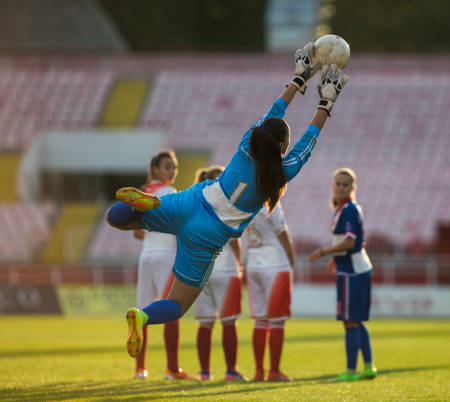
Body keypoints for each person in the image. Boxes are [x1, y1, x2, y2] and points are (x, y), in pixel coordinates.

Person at [105, 42, 349, 359]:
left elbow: (275, 111)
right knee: (177, 305)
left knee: (117, 218)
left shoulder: (247, 142)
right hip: (207, 235)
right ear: (282, 146)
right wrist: (327, 102)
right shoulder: (282, 172)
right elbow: (308, 141)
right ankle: (143, 316)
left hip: (192, 200)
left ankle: (144, 202)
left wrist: (298, 79)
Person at [131, 150, 196, 380]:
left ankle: (140, 369)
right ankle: (172, 368)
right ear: (155, 169)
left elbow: (137, 233)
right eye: (167, 166)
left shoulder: (143, 193)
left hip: (146, 255)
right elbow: (181, 227)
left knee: (141, 312)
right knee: (171, 309)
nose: (172, 171)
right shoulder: (170, 192)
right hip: (166, 255)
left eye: (174, 167)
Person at [308, 168, 376, 382]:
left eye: (345, 184)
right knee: (356, 320)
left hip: (352, 271)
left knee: (349, 320)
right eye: (338, 183)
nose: (340, 187)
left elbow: (349, 242)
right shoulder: (346, 208)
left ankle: (350, 370)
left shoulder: (348, 210)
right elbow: (345, 242)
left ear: (352, 188)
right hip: (356, 267)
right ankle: (368, 367)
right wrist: (333, 258)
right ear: (332, 185)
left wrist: (322, 252)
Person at [192, 166, 247, 381]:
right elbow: (234, 241)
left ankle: (205, 372)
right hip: (226, 270)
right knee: (229, 322)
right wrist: (240, 264)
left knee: (205, 323)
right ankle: (230, 371)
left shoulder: (196, 204)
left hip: (202, 269)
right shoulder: (229, 203)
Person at [245, 199, 295, 382]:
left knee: (260, 320)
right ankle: (274, 372)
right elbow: (282, 233)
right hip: (274, 262)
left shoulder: (246, 202)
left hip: (253, 262)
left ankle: (259, 371)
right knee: (276, 321)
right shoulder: (271, 203)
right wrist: (291, 261)